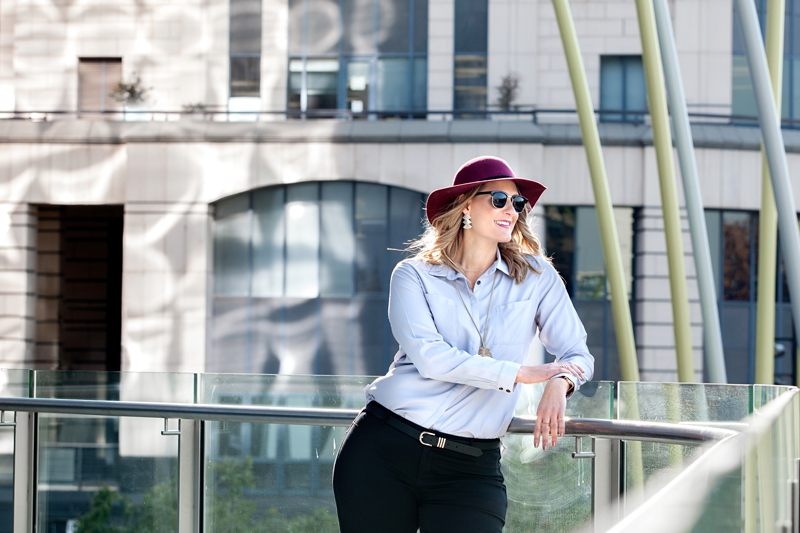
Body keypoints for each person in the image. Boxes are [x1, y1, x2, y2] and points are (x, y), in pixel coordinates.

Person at [332, 156, 594, 533]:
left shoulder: (538, 277)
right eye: (499, 200)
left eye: (518, 203)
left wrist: (560, 383)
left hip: (470, 467)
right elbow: (431, 359)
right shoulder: (414, 275)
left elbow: (577, 354)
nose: (512, 211)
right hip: (384, 449)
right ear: (466, 204)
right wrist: (521, 374)